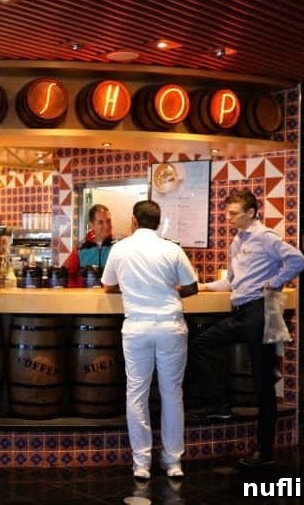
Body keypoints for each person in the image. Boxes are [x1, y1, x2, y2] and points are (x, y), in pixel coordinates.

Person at [189, 189, 304, 469]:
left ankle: (264, 451)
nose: (227, 217)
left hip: (259, 313)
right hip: (241, 313)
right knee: (199, 344)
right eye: (227, 212)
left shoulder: (265, 237)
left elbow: (299, 260)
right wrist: (201, 286)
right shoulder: (237, 241)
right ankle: (221, 403)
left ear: (251, 213)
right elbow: (230, 281)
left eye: (233, 213)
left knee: (262, 383)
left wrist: (276, 281)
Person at [102, 200, 198, 480]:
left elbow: (108, 285)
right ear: (158, 222)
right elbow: (192, 287)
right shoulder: (172, 249)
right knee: (171, 393)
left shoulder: (120, 249)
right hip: (170, 326)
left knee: (137, 393)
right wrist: (166, 293)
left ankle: (141, 463)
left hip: (137, 328)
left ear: (133, 221)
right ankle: (173, 462)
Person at [64, 204, 113, 287]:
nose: (107, 226)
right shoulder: (80, 249)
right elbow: (68, 275)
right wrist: (76, 293)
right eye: (100, 222)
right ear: (92, 225)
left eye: (108, 221)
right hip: (85, 298)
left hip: (111, 298)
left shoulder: (118, 247)